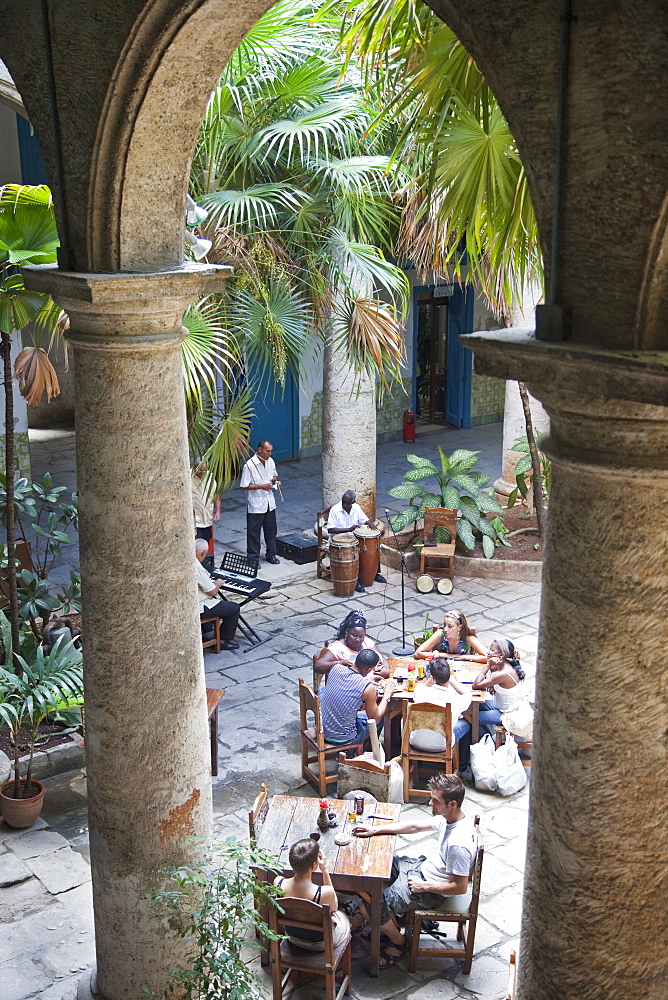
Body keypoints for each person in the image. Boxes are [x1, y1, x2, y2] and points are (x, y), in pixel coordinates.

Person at [352, 773, 477, 969]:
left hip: (431, 889)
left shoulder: (457, 845)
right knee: (380, 864)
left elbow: (460, 887)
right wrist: (376, 829)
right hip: (422, 868)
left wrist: (424, 885)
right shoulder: (450, 817)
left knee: (368, 906)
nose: (430, 804)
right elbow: (415, 826)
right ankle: (386, 920)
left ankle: (398, 941)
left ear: (452, 803)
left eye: (435, 801)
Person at [272, 839, 350, 951]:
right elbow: (334, 907)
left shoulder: (278, 882)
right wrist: (324, 870)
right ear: (314, 865)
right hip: (320, 943)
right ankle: (356, 921)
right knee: (342, 916)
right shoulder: (324, 893)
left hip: (292, 937)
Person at [319, 648, 396, 744]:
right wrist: (386, 695)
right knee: (384, 713)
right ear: (368, 669)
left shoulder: (336, 668)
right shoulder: (367, 688)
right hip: (343, 738)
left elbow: (348, 683)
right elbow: (375, 719)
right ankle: (365, 748)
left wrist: (366, 679)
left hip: (322, 731)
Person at [409, 657, 473, 772]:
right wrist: (450, 679)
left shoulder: (420, 692)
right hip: (441, 745)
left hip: (415, 741)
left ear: (432, 677)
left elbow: (424, 686)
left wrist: (432, 678)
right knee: (467, 724)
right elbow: (467, 693)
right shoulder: (455, 699)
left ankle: (420, 765)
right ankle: (462, 766)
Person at [327, 490, 386, 593]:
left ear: (353, 502)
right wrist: (349, 529)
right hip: (339, 541)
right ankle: (355, 581)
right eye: (344, 502)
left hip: (354, 538)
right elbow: (330, 529)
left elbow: (364, 519)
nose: (345, 505)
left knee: (370, 545)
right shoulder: (335, 510)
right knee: (353, 551)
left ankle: (374, 573)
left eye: (348, 503)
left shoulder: (356, 508)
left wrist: (370, 524)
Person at [472, 637, 526, 736]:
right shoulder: (504, 665)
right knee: (471, 706)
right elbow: (490, 677)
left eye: (492, 650)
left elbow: (476, 685)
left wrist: (487, 665)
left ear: (501, 655)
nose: (488, 652)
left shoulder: (504, 673)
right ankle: (484, 736)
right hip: (498, 705)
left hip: (506, 714)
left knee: (472, 717)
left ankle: (481, 741)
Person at [314, 610, 389, 679]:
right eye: (354, 635)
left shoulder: (367, 642)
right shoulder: (337, 648)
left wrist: (386, 670)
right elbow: (318, 666)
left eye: (361, 636)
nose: (357, 640)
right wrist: (339, 663)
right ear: (347, 632)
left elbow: (382, 658)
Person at [240, 439, 281, 565]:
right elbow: (244, 485)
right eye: (267, 451)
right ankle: (253, 559)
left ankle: (271, 554)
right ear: (260, 450)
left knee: (271, 531)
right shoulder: (249, 465)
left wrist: (275, 482)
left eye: (270, 451)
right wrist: (260, 486)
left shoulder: (271, 461)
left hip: (269, 503)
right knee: (254, 533)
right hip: (256, 504)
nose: (269, 454)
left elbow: (273, 475)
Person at [195, 538, 240, 650]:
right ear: (203, 553)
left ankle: (208, 632)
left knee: (219, 605)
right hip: (199, 606)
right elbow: (213, 591)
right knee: (234, 608)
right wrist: (218, 583)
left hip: (194, 602)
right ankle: (223, 640)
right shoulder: (197, 567)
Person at [414, 609, 486, 662]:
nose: (445, 629)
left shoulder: (467, 638)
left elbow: (488, 657)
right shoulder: (440, 634)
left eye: (450, 626)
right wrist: (444, 655)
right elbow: (418, 653)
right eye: (445, 625)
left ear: (459, 627)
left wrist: (463, 657)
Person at [191, 464, 220, 550]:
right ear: (194, 468)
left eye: (204, 470)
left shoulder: (209, 477)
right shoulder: (187, 477)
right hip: (194, 521)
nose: (202, 473)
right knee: (195, 547)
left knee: (205, 545)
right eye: (200, 470)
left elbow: (216, 495)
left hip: (207, 519)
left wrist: (218, 511)